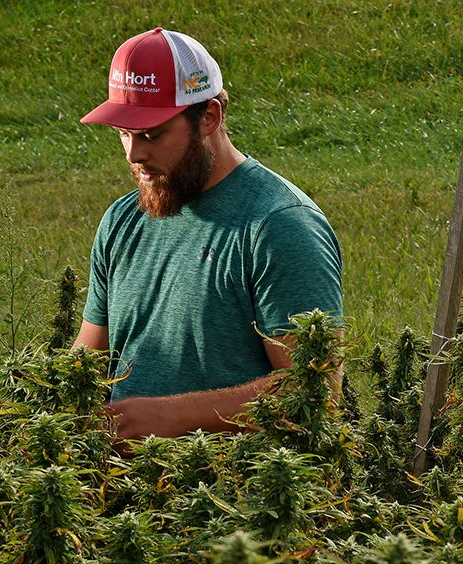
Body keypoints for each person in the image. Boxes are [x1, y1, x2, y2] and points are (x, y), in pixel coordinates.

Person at [74, 28, 344, 439]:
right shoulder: (121, 221)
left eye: (151, 134)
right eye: (124, 134)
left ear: (209, 118)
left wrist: (170, 418)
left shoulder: (279, 226)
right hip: (122, 490)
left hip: (235, 494)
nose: (134, 155)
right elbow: (87, 358)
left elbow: (316, 392)